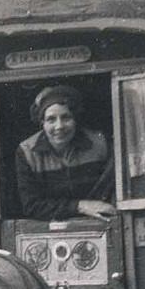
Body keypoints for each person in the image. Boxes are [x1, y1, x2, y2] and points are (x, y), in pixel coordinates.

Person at [15, 83, 116, 222]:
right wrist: (80, 206)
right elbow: (32, 206)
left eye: (66, 117)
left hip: (100, 222)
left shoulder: (100, 144)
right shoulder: (27, 152)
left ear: (75, 119)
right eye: (51, 119)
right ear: (42, 123)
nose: (59, 126)